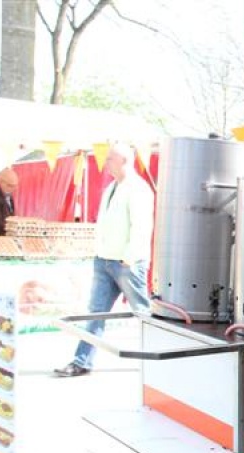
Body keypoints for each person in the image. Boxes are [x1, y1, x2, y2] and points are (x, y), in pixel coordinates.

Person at [54, 143, 153, 377]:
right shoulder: (112, 187)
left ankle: (154, 362)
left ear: (124, 161)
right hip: (105, 259)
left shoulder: (138, 189)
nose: (105, 163)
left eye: (110, 159)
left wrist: (129, 258)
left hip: (125, 263)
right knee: (96, 313)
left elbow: (141, 227)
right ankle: (81, 361)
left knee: (142, 313)